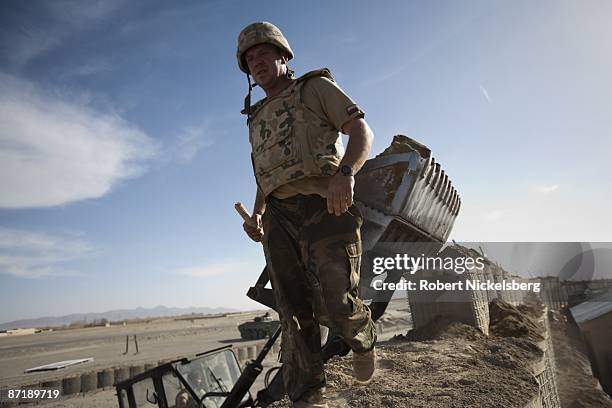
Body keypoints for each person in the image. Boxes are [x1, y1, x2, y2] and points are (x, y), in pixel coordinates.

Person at [237, 22, 377, 408]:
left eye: (263, 54)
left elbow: (361, 131)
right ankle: (309, 393)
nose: (256, 62)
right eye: (250, 59)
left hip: (325, 204)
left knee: (336, 301)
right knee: (293, 311)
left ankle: (362, 339)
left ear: (283, 56)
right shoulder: (255, 117)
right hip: (279, 217)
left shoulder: (314, 88)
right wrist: (259, 213)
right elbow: (265, 173)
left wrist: (345, 175)